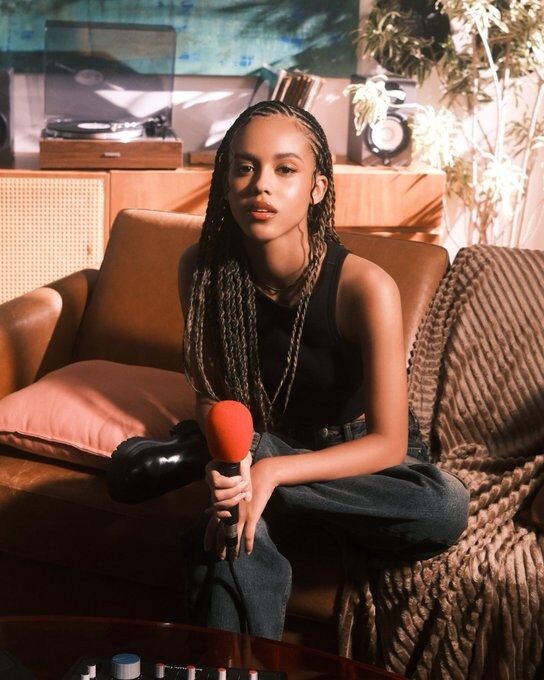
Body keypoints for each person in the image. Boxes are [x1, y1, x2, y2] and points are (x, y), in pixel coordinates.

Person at [108, 100, 469, 641]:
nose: (261, 185)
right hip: (256, 442)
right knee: (229, 537)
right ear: (225, 183)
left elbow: (389, 444)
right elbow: (212, 396)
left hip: (357, 464)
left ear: (317, 187)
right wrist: (235, 458)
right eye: (244, 168)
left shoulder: (365, 287)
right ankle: (233, 673)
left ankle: (236, 464)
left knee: (442, 508)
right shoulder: (202, 271)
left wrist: (270, 469)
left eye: (284, 169)